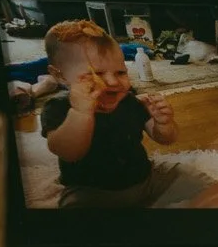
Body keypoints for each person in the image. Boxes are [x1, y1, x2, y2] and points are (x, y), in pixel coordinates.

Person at [40, 18, 178, 208]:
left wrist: (164, 123)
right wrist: (81, 112)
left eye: (120, 73)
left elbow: (164, 139)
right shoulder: (57, 106)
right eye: (95, 74)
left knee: (196, 179)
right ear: (60, 75)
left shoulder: (129, 100)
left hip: (146, 181)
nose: (113, 82)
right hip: (90, 193)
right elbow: (68, 152)